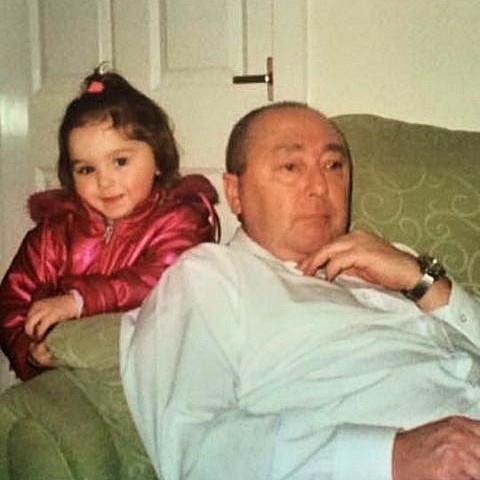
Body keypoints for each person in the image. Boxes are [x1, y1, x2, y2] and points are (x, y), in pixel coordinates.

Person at [121, 101, 480, 480]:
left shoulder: (396, 262)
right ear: (235, 192)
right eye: (291, 167)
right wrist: (391, 456)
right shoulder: (208, 278)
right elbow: (193, 447)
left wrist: (421, 280)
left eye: (333, 166)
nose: (319, 187)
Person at [0, 65, 219, 381]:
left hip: (153, 376)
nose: (105, 181)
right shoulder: (53, 234)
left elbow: (164, 280)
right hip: (68, 378)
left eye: (120, 161)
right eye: (86, 169)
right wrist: (29, 351)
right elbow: (11, 300)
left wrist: (79, 301)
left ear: (157, 159)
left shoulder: (181, 220)